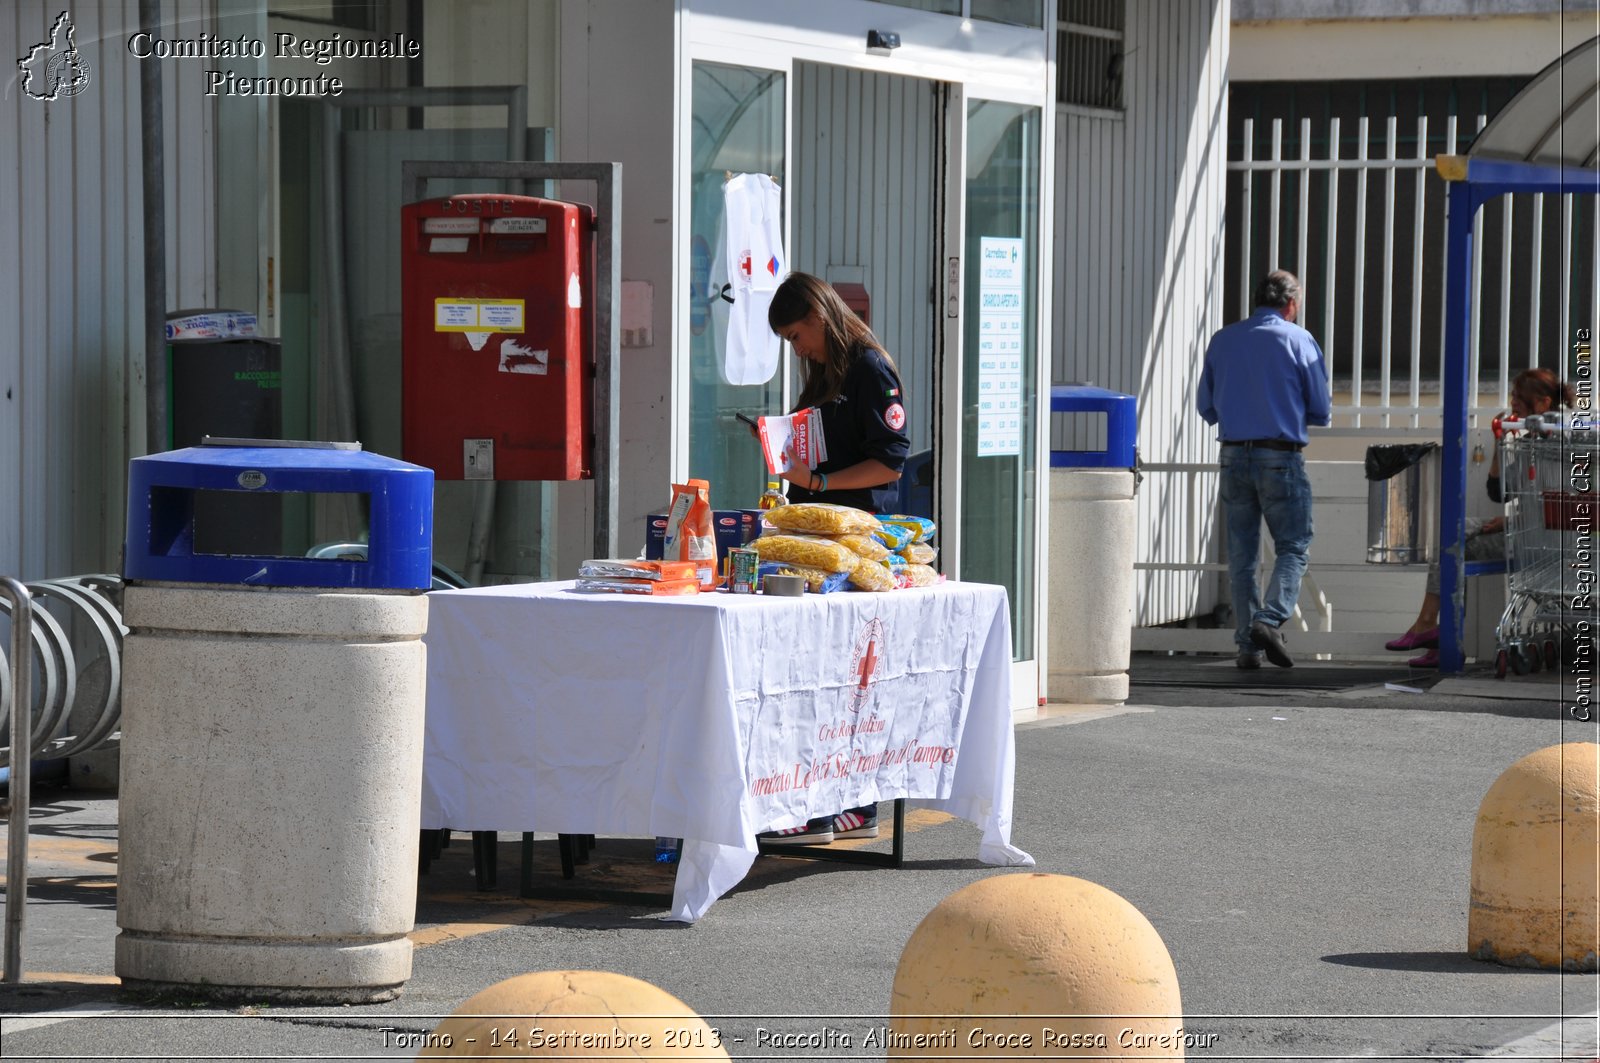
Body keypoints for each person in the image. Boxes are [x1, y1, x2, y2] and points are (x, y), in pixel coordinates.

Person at [754, 271, 910, 845]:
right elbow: (819, 445)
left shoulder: (869, 367)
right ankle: (816, 796)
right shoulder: (824, 370)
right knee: (819, 670)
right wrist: (781, 446)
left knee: (849, 673)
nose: (797, 348)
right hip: (821, 539)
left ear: (820, 317)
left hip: (859, 540)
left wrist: (816, 479)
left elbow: (889, 463)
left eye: (797, 336)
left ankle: (855, 804)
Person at [1386, 367, 1575, 668]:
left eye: (1518, 398)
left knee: (1453, 548)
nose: (1513, 404)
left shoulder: (1569, 445)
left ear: (1541, 403)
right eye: (1513, 397)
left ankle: (1433, 631)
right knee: (1451, 532)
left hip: (1547, 543)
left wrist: (1512, 522)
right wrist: (1501, 443)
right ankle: (1434, 631)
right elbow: (1498, 493)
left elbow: (1566, 506)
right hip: (1528, 534)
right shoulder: (1529, 443)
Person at [1197, 269, 1331, 670]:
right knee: (1293, 545)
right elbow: (1321, 408)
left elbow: (1207, 407)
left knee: (1241, 555)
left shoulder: (1224, 340)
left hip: (1233, 455)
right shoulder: (1298, 340)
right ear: (1291, 303)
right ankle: (1268, 620)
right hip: (1280, 455)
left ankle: (1247, 648)